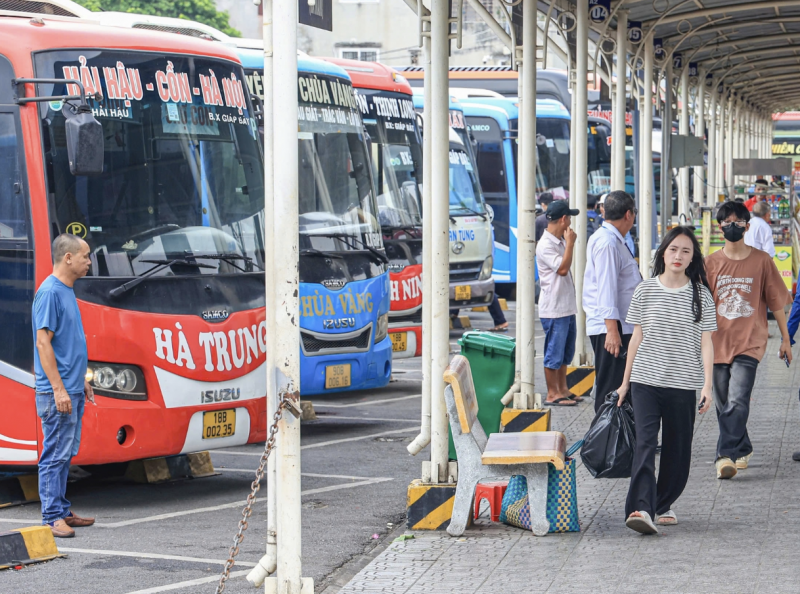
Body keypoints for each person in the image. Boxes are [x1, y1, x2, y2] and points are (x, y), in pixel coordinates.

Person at [617, 227, 716, 534]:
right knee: (645, 444)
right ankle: (641, 509)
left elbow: (707, 343)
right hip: (646, 380)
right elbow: (636, 338)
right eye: (673, 249)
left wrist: (707, 386)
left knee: (678, 450)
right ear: (662, 252)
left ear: (692, 258)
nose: (678, 256)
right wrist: (625, 383)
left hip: (683, 383)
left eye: (685, 251)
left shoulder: (701, 295)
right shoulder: (645, 290)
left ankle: (663, 502)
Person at [705, 201, 792, 480]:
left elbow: (777, 302)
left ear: (747, 226)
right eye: (726, 222)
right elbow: (701, 306)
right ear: (720, 227)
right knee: (723, 405)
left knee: (739, 398)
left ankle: (725, 455)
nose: (732, 226)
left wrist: (786, 339)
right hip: (717, 343)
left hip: (750, 342)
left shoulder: (762, 261)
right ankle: (742, 445)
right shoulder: (710, 263)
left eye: (737, 222)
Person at [33, 234, 95, 538]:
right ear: (67, 258)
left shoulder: (66, 290)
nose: (89, 262)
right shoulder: (50, 292)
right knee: (54, 454)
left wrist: (81, 380)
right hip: (56, 392)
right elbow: (43, 343)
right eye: (85, 256)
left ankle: (61, 509)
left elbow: (68, 344)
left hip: (71, 388)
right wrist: (58, 388)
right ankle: (51, 517)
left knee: (65, 453)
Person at [583, 191, 642, 413]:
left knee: (622, 389)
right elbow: (606, 288)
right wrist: (612, 330)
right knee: (611, 389)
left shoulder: (612, 239)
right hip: (612, 328)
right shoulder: (607, 242)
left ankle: (623, 443)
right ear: (629, 214)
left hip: (619, 325)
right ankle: (606, 443)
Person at [536, 200, 580, 406]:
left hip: (565, 306)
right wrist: (570, 244)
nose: (570, 222)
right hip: (554, 308)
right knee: (554, 351)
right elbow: (562, 269)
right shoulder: (545, 244)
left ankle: (563, 389)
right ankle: (552, 393)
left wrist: (567, 243)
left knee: (565, 352)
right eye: (569, 217)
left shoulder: (559, 241)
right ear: (563, 219)